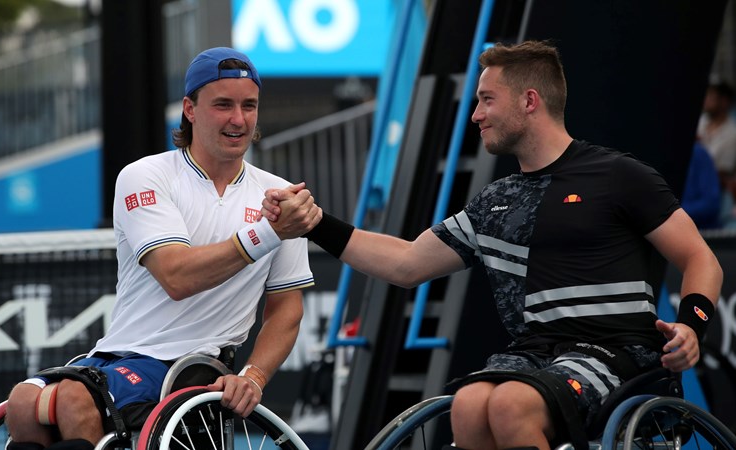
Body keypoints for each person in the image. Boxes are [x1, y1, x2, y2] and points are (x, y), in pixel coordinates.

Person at [261, 41, 723, 450]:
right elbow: (405, 263)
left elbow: (700, 257)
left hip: (619, 356)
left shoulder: (620, 175)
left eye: (486, 100)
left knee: (509, 406)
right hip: (536, 356)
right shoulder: (496, 200)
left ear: (529, 101)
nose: (475, 114)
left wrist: (692, 325)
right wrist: (315, 223)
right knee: (468, 405)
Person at [4, 47, 321, 450]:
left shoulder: (277, 194)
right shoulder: (145, 175)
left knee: (71, 400)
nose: (238, 119)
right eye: (223, 105)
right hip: (116, 354)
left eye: (249, 105)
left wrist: (253, 377)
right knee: (22, 402)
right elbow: (178, 276)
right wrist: (269, 233)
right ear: (189, 108)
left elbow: (286, 310)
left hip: (191, 367)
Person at [697, 80, 736, 184]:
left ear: (724, 101)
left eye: (711, 97)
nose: (706, 100)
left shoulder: (732, 134)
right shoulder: (700, 122)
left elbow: (722, 174)